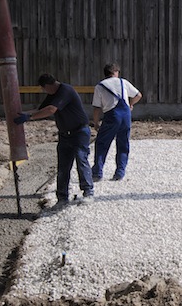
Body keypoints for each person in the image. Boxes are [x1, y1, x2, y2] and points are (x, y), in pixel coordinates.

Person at [14, 74, 94, 205]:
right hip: (64, 135)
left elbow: (51, 109)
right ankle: (62, 197)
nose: (44, 91)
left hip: (79, 132)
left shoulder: (65, 91)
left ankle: (88, 192)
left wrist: (30, 118)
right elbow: (40, 109)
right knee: (63, 166)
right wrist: (26, 113)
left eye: (43, 89)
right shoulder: (53, 94)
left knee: (81, 161)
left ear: (47, 86)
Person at [91, 63, 142, 181]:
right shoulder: (123, 82)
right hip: (125, 115)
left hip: (111, 116)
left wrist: (96, 122)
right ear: (116, 72)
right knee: (123, 144)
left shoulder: (100, 86)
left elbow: (97, 107)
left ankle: (97, 173)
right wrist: (131, 104)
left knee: (102, 143)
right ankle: (120, 172)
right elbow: (138, 95)